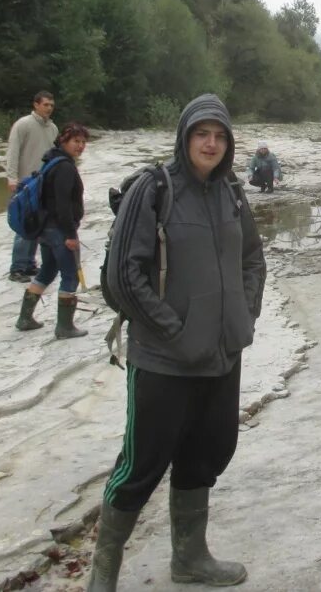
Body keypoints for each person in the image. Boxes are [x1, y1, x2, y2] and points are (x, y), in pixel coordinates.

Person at [86, 94, 265, 591]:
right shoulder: (154, 189)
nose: (211, 143)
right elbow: (124, 277)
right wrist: (174, 330)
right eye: (201, 133)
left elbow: (252, 257)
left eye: (219, 135)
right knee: (140, 466)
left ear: (228, 143)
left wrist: (243, 315)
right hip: (165, 361)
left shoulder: (230, 192)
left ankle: (190, 558)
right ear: (184, 137)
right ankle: (103, 574)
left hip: (222, 356)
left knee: (204, 455)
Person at [15, 122, 90, 340]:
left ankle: (25, 318)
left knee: (47, 271)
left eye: (84, 142)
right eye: (76, 141)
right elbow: (63, 205)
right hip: (59, 230)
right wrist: (70, 236)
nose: (81, 146)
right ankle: (64, 327)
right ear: (63, 141)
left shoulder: (51, 162)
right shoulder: (65, 167)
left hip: (45, 228)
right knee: (70, 276)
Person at [5, 91, 58, 281]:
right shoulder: (23, 124)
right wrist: (11, 178)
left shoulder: (52, 128)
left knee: (38, 224)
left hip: (42, 184)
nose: (49, 108)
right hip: (24, 183)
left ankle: (29, 264)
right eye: (45, 105)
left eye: (51, 105)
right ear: (36, 105)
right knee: (24, 224)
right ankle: (17, 268)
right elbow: (13, 152)